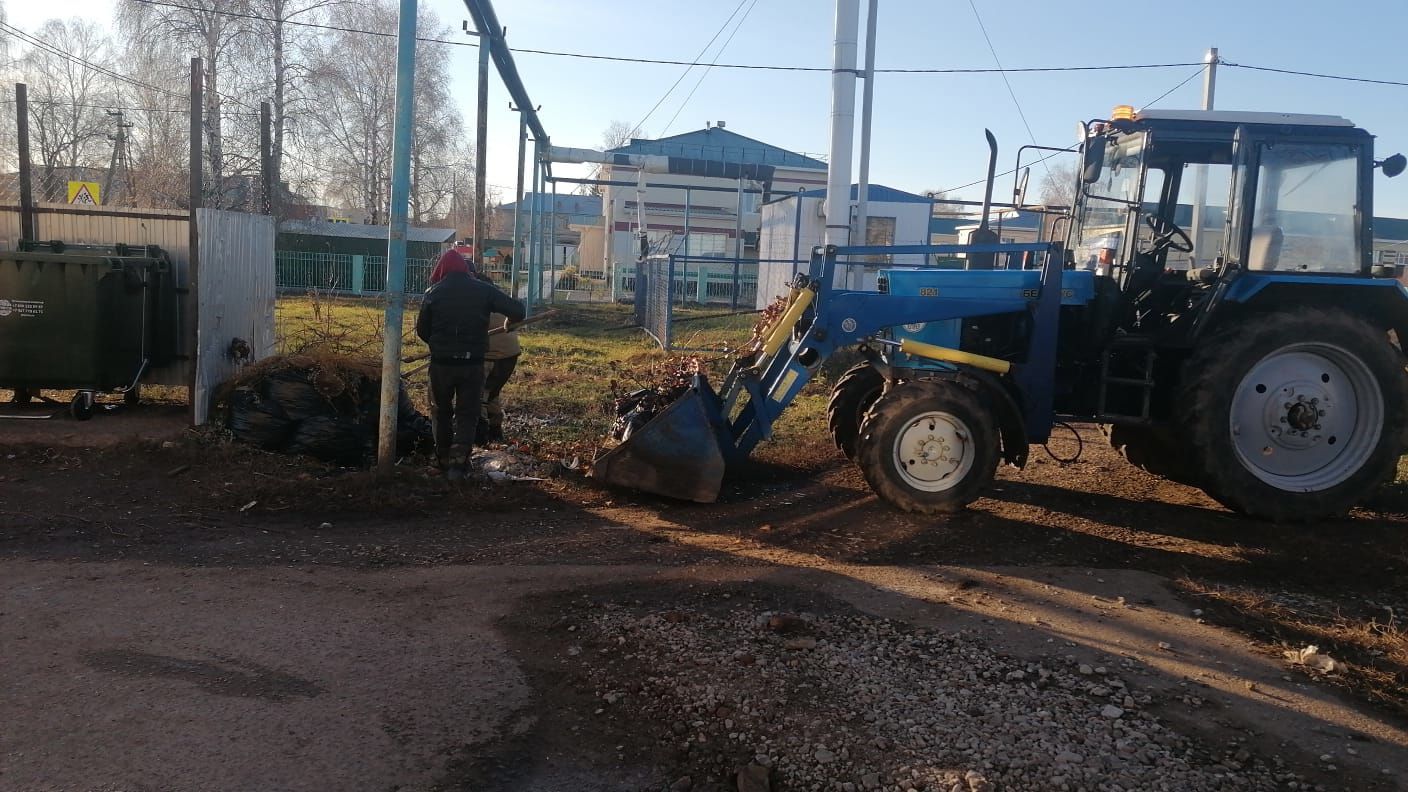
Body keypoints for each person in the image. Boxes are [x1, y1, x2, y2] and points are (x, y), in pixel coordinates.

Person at [416, 249, 525, 480]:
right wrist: (508, 324)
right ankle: (459, 462)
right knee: (468, 413)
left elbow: (422, 331)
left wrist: (441, 345)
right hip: (473, 363)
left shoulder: (433, 292)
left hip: (441, 364)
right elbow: (518, 310)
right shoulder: (483, 290)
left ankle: (442, 459)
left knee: (441, 411)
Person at [480, 304, 520, 445]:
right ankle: (495, 431)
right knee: (492, 392)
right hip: (510, 355)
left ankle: (481, 436)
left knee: (479, 396)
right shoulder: (498, 298)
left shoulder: (472, 300)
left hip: (488, 356)